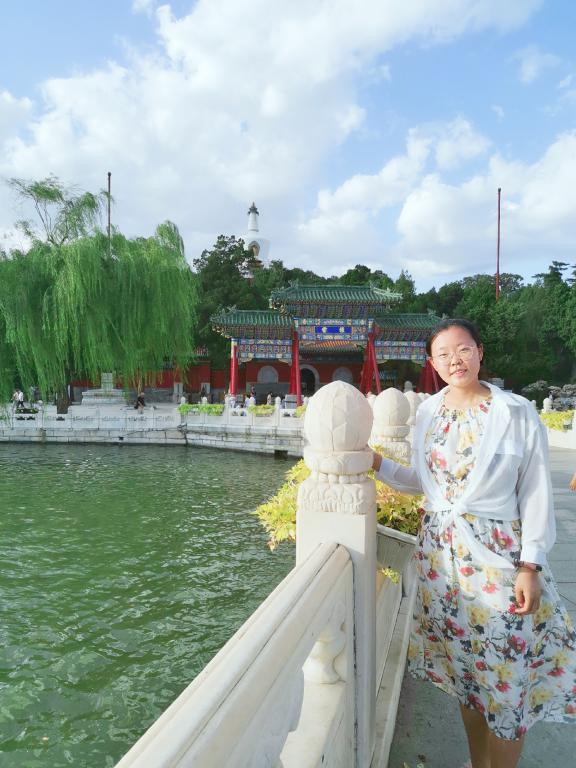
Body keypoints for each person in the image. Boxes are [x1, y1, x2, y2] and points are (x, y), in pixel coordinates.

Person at [372, 318, 576, 768]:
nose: (455, 360)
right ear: (432, 364)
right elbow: (428, 485)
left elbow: (535, 491)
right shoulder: (429, 412)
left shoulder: (516, 412)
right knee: (467, 676)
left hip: (500, 559)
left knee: (506, 681)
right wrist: (376, 463)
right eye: (443, 354)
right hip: (443, 566)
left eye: (463, 349)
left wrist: (530, 565)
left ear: (480, 352)